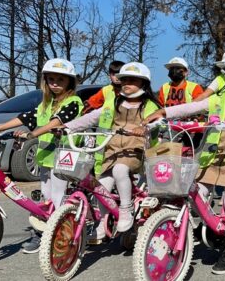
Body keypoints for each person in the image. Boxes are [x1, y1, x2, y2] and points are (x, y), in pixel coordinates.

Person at [144, 51, 225, 275]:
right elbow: (190, 107)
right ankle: (214, 227)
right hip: (211, 158)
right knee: (196, 195)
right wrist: (164, 111)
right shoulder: (218, 99)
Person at [0, 59, 83, 253]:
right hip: (46, 156)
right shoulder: (46, 103)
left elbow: (56, 123)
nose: (55, 83)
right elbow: (25, 117)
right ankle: (46, 231)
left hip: (64, 157)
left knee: (58, 198)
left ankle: (59, 237)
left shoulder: (73, 102)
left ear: (70, 82)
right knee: (46, 197)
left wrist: (32, 134)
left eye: (60, 79)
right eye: (51, 79)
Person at [62, 62, 161, 244]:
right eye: (124, 80)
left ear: (143, 84)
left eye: (132, 80)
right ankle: (102, 223)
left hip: (135, 150)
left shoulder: (148, 105)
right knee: (102, 188)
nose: (127, 84)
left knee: (120, 171)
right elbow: (91, 117)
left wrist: (146, 127)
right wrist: (67, 127)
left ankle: (125, 209)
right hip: (112, 149)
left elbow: (157, 121)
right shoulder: (115, 103)